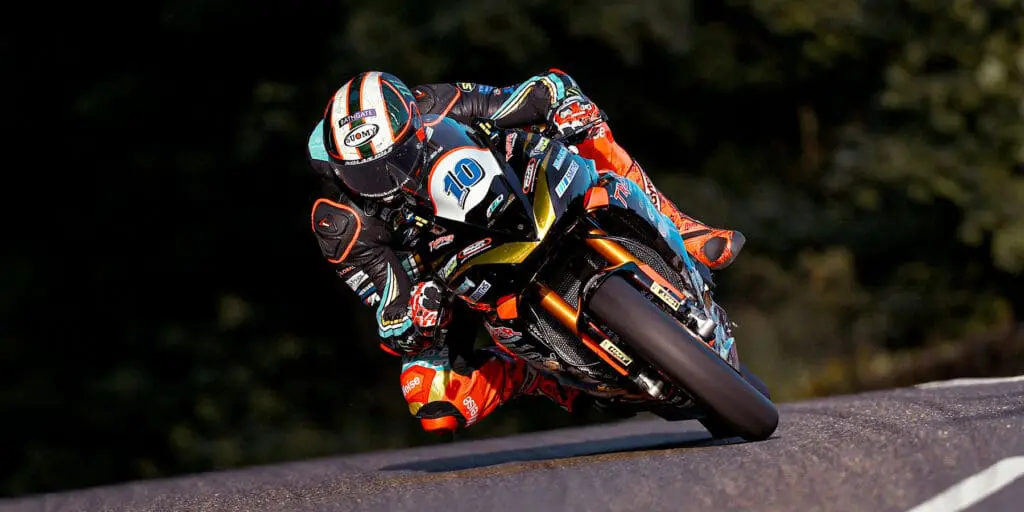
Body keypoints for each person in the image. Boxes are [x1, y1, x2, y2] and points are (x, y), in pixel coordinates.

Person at [306, 69, 745, 433]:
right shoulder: (341, 225)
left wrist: (565, 105)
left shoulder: (433, 103)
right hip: (445, 278)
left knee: (590, 131)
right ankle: (532, 373)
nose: (389, 181)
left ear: (415, 127)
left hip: (511, 199)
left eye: (398, 159)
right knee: (432, 400)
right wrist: (415, 316)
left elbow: (534, 93)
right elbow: (390, 313)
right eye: (368, 176)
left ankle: (681, 226)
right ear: (340, 172)